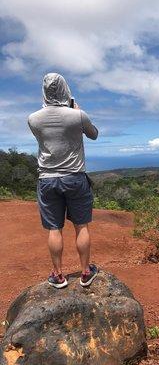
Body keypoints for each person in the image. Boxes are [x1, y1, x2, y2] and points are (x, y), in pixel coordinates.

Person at [28, 73, 99, 289]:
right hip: (75, 177)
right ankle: (86, 273)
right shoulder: (77, 115)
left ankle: (58, 275)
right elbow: (94, 134)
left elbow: (46, 138)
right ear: (65, 89)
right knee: (81, 226)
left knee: (54, 228)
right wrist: (76, 111)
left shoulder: (33, 119)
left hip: (48, 179)